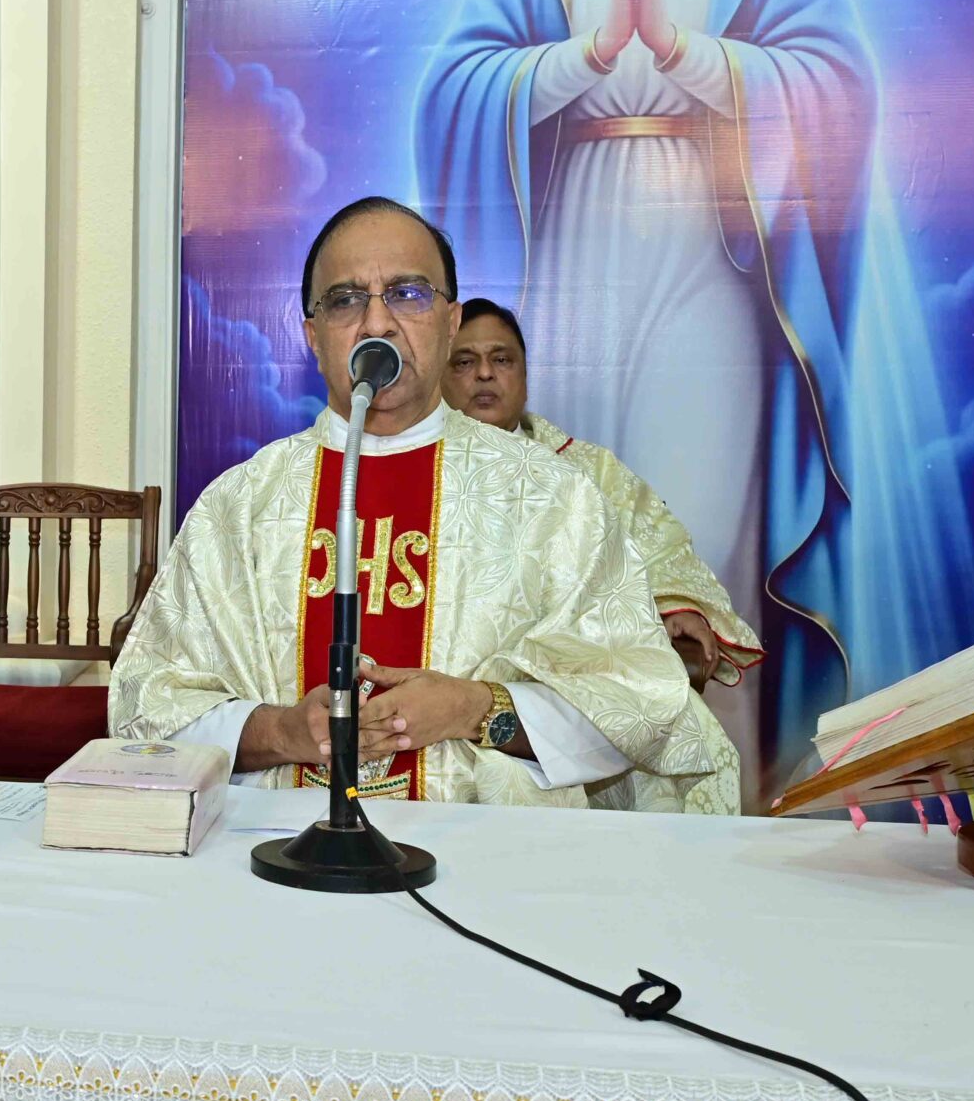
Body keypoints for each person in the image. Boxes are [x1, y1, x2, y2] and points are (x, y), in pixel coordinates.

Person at [415, 0, 974, 771]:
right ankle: (551, 789)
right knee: (559, 539)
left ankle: (705, 791)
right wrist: (586, 57)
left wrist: (684, 51)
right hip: (569, 260)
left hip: (714, 255)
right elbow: (453, 85)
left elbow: (837, 86)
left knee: (695, 531)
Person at [111, 198, 733, 811]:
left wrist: (474, 708)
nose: (376, 324)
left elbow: (637, 704)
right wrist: (282, 732)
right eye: (345, 300)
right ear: (313, 336)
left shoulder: (552, 497)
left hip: (487, 852)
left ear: (450, 320)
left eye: (407, 294)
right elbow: (148, 708)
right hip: (280, 846)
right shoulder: (241, 505)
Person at [445, 295, 757, 807]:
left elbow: (656, 546)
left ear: (525, 376)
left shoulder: (587, 471)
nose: (484, 374)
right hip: (453, 685)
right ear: (438, 376)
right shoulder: (419, 473)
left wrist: (675, 604)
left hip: (574, 681)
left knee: (698, 744)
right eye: (464, 361)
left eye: (501, 359)